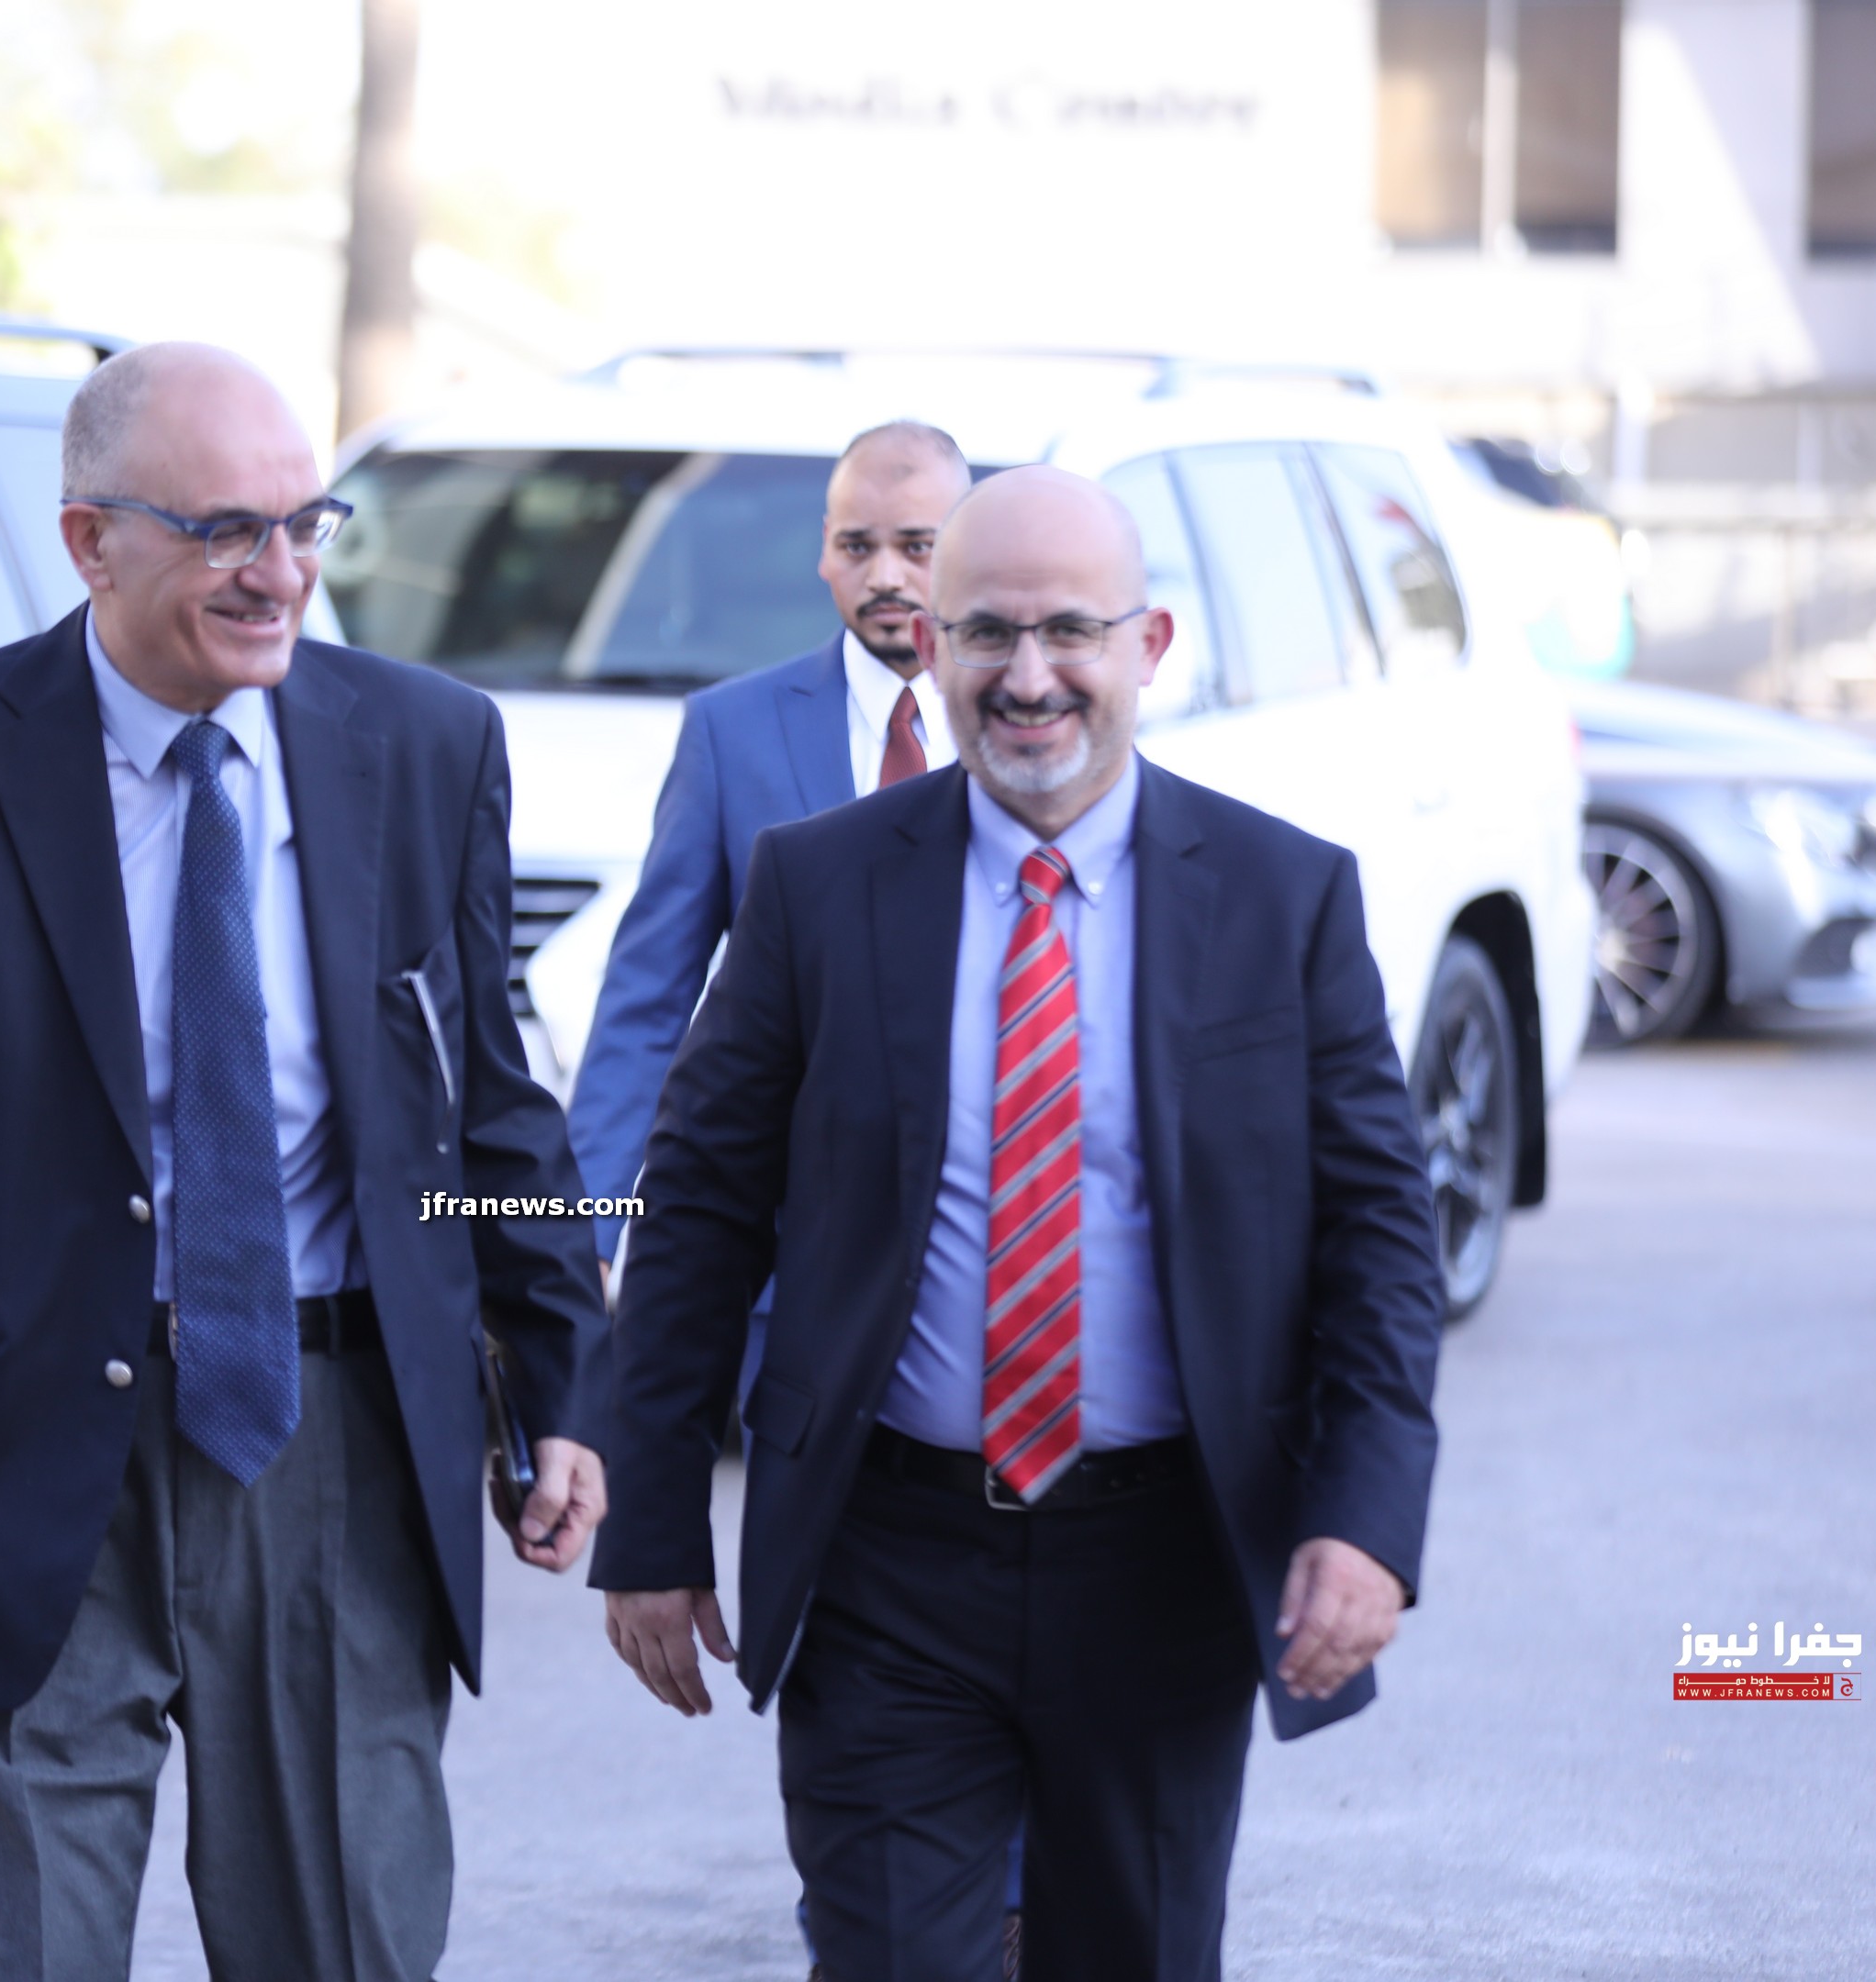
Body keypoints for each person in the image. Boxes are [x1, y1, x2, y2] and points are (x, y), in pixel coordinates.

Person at [0, 343, 609, 1982]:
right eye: (225, 529)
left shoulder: (427, 743)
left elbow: (492, 1110)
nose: (280, 571)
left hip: (336, 1449)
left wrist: (567, 1380)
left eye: (305, 523)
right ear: (90, 541)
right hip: (30, 1459)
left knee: (349, 1949)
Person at [592, 466, 1444, 1982]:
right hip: (888, 1562)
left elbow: (1379, 1233)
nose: (1029, 675)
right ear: (931, 647)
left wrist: (1365, 1516)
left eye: (1070, 632)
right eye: (987, 632)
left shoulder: (1283, 899)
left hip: (1165, 1565)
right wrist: (650, 1517)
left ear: (1148, 646)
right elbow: (704, 1206)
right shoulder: (820, 889)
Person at [565, 420, 975, 1277]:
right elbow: (650, 995)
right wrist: (583, 1232)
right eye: (857, 546)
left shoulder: (1020, 725)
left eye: (918, 546)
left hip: (981, 1233)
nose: (885, 575)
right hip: (783, 1249)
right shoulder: (731, 732)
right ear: (824, 550)